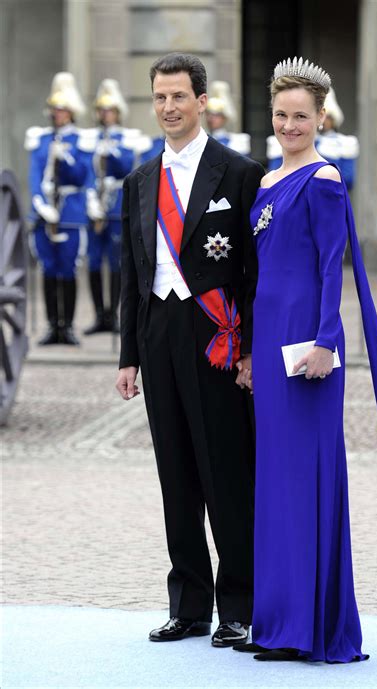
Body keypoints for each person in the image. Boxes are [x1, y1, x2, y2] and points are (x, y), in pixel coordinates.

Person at [233, 57, 377, 662]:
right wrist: (248, 351)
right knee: (274, 486)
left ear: (320, 118)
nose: (290, 125)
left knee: (305, 482)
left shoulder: (324, 180)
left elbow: (328, 267)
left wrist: (324, 342)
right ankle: (278, 622)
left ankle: (310, 628)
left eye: (301, 117)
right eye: (281, 115)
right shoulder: (263, 182)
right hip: (268, 342)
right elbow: (258, 275)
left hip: (307, 348)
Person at [115, 53, 265, 647]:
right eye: (160, 98)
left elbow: (253, 274)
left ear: (203, 101)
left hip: (216, 338)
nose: (169, 108)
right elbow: (130, 273)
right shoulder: (138, 181)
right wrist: (127, 355)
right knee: (175, 474)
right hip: (157, 336)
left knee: (225, 471)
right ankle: (188, 605)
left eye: (180, 96)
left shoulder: (239, 173)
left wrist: (249, 348)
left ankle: (237, 605)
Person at [25, 72, 92, 345]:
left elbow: (81, 176)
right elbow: (34, 174)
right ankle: (53, 325)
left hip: (70, 212)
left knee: (68, 269)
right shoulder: (41, 140)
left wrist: (65, 159)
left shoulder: (80, 141)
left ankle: (69, 326)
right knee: (48, 269)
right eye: (55, 109)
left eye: (63, 110)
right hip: (46, 213)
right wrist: (40, 204)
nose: (58, 114)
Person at [84, 79, 141, 334]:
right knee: (94, 261)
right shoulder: (90, 138)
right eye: (102, 110)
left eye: (110, 110)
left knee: (117, 262)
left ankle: (114, 315)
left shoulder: (127, 138)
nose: (105, 114)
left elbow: (127, 169)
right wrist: (91, 201)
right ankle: (99, 315)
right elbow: (85, 171)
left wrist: (114, 154)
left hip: (116, 204)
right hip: (94, 204)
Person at [266, 86, 358, 190]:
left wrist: (328, 159)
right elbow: (277, 173)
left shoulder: (343, 143)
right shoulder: (291, 138)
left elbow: (348, 181)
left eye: (328, 117)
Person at [206, 81, 251, 155]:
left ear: (224, 117)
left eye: (216, 115)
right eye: (208, 114)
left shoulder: (236, 142)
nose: (210, 118)